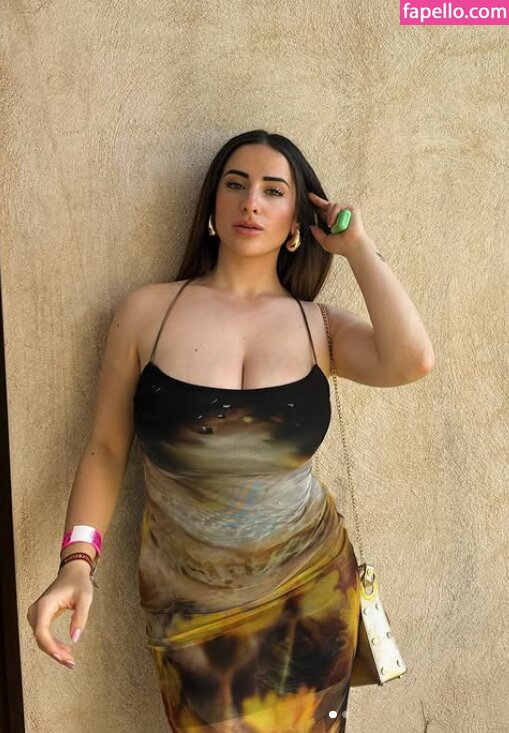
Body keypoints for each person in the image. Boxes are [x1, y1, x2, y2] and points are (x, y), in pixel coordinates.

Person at [26, 129, 434, 732]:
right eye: (236, 184)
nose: (251, 202)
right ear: (213, 206)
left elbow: (411, 360)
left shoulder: (318, 326)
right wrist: (77, 562)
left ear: (296, 222)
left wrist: (357, 247)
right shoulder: (147, 313)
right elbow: (106, 450)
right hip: (191, 612)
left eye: (274, 191)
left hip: (310, 594)